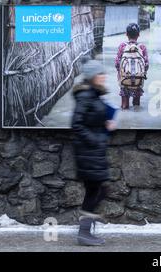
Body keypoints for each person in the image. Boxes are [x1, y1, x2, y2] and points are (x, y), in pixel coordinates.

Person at [71, 60, 116, 246]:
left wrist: (105, 124)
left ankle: (86, 229)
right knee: (97, 190)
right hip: (88, 152)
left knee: (96, 190)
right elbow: (77, 124)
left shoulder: (94, 95)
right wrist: (96, 139)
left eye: (104, 73)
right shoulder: (85, 96)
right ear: (91, 77)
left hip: (93, 151)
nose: (104, 76)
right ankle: (84, 231)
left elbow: (91, 121)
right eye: (100, 74)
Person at [115, 23, 149, 110]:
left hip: (124, 80)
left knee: (124, 106)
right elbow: (146, 65)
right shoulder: (142, 47)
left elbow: (117, 64)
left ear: (126, 34)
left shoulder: (122, 46)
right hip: (138, 81)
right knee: (136, 105)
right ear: (138, 34)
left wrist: (121, 74)